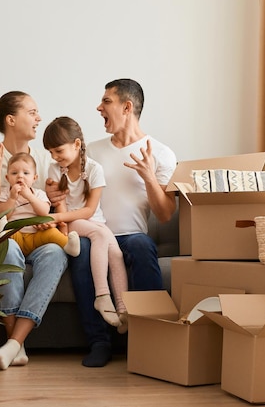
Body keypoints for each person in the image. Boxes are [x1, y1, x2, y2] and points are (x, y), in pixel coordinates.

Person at [46, 79, 177, 367]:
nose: (98, 106)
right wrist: (54, 193)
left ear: (126, 107)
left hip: (132, 236)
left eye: (106, 101)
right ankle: (99, 343)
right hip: (93, 232)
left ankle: (148, 339)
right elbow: (66, 189)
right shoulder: (90, 151)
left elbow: (166, 214)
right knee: (79, 254)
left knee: (143, 246)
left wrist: (149, 177)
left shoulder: (161, 153)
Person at [0, 91, 68, 370]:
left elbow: (56, 205)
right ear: (11, 120)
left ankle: (14, 342)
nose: (39, 118)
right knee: (8, 247)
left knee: (55, 251)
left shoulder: (44, 158)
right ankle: (18, 344)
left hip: (39, 236)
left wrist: (50, 220)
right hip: (7, 234)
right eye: (32, 112)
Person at [42, 116, 128, 331]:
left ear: (77, 144)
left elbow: (90, 210)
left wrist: (56, 218)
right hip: (72, 225)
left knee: (116, 254)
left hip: (92, 221)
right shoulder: (55, 170)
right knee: (99, 236)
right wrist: (60, 219)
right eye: (51, 152)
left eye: (58, 151)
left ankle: (123, 311)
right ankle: (102, 295)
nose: (54, 157)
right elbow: (61, 207)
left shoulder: (94, 169)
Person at [0, 151, 80, 257]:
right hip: (14, 235)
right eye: (14, 173)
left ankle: (68, 245)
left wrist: (30, 197)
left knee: (52, 233)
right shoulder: (6, 193)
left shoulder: (39, 194)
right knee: (1, 229)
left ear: (34, 178)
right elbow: (2, 214)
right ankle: (0, 236)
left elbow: (44, 212)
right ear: (7, 178)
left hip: (35, 236)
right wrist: (12, 198)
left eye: (26, 173)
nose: (20, 176)